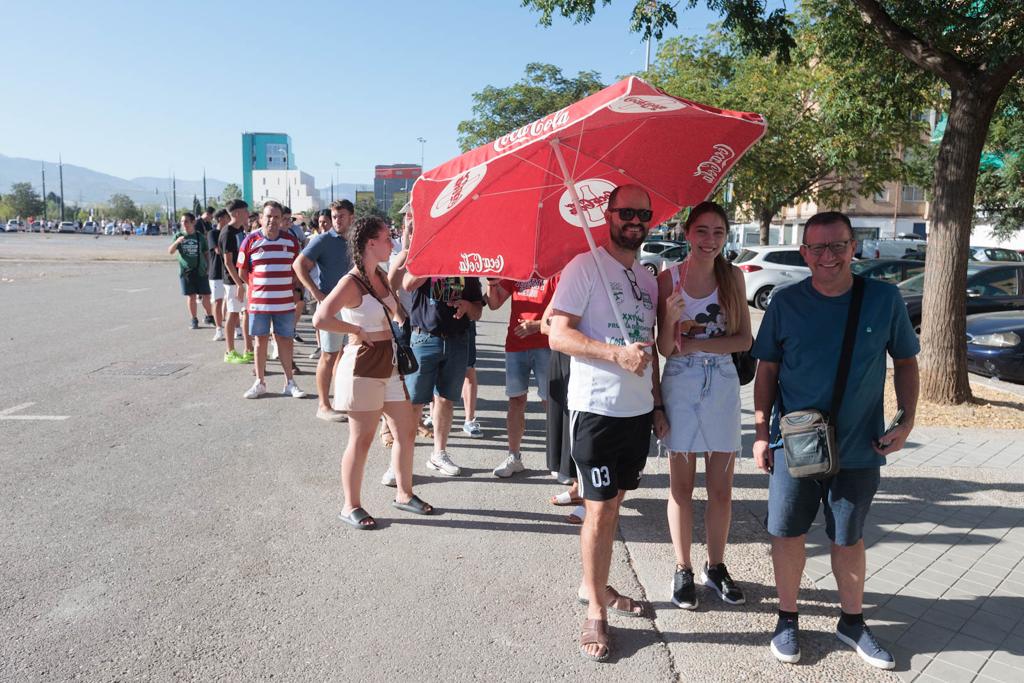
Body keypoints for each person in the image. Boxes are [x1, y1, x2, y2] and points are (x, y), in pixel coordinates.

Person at [751, 211, 919, 670]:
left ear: (853, 247)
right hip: (795, 446)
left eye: (838, 245)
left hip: (860, 447)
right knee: (787, 533)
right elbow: (767, 371)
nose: (828, 256)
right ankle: (787, 618)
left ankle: (852, 622)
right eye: (818, 247)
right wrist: (761, 434)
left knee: (848, 537)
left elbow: (906, 362)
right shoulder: (786, 303)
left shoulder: (883, 299)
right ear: (804, 253)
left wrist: (905, 422)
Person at [548, 184, 667, 662]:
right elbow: (558, 334)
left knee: (614, 504)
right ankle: (596, 608)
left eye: (643, 213)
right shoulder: (584, 266)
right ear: (608, 215)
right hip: (596, 410)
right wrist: (614, 354)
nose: (635, 221)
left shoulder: (647, 278)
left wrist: (657, 404)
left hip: (637, 413)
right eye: (626, 212)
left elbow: (650, 348)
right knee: (598, 510)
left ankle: (591, 583)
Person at [655, 201, 752, 610]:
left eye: (718, 232)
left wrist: (696, 344)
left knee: (721, 489)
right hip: (680, 383)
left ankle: (716, 566)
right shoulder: (668, 279)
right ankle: (683, 568)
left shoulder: (733, 277)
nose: (710, 240)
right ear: (686, 233)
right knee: (681, 487)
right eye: (702, 231)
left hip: (723, 384)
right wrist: (670, 318)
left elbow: (744, 339)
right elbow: (664, 349)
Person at [312, 215, 434, 529]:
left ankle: (404, 494)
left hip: (389, 362)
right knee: (362, 439)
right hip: (363, 364)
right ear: (370, 243)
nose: (390, 243)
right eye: (386, 239)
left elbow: (396, 306)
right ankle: (350, 505)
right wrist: (355, 329)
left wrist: (408, 245)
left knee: (406, 431)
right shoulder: (350, 282)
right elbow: (320, 318)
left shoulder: (379, 274)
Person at [387, 245, 483, 479]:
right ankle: (398, 463)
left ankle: (438, 454)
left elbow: (478, 310)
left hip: (458, 340)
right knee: (414, 403)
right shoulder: (426, 255)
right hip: (424, 338)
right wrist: (433, 263)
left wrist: (468, 306)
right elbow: (408, 284)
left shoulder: (466, 262)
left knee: (446, 400)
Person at [483, 276, 557, 477]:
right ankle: (514, 457)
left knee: (551, 403)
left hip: (546, 345)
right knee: (515, 401)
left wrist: (537, 325)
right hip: (516, 345)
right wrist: (491, 282)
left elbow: (563, 313)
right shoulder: (517, 269)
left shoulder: (554, 271)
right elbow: (494, 303)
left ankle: (559, 460)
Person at [236, 201, 307, 399]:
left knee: (285, 340)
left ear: (282, 219)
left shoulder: (291, 241)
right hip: (259, 303)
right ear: (261, 218)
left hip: (284, 303)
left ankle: (290, 383)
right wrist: (257, 287)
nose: (272, 220)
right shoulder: (250, 240)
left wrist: (294, 288)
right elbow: (242, 271)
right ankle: (260, 382)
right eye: (268, 216)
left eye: (276, 217)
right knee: (260, 340)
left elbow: (297, 269)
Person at [294, 200, 354, 421]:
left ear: (351, 217)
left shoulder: (356, 239)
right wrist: (317, 294)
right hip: (331, 305)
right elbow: (298, 265)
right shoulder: (323, 239)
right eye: (334, 216)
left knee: (345, 355)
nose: (337, 220)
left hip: (353, 306)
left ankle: (340, 400)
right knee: (328, 355)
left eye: (341, 216)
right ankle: (323, 405)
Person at [168, 212, 214, 329]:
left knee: (206, 295)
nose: (184, 224)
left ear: (193, 222)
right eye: (182, 221)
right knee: (191, 296)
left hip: (201, 270)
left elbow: (206, 253)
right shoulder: (178, 236)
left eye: (186, 221)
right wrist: (177, 242)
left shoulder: (200, 237)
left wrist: (208, 267)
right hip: (186, 272)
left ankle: (209, 316)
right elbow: (170, 251)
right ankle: (194, 319)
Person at [221, 199, 253, 364]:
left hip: (243, 278)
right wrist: (239, 284)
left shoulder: (240, 229)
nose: (248, 214)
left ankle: (249, 349)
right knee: (233, 314)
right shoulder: (227, 233)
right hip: (233, 280)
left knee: (246, 313)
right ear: (236, 213)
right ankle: (230, 351)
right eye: (246, 211)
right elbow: (228, 262)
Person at [207, 208, 230, 341]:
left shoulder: (230, 232)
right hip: (216, 272)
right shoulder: (212, 233)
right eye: (227, 217)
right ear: (221, 219)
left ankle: (236, 328)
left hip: (229, 272)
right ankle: (219, 329)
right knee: (218, 301)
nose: (230, 220)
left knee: (231, 301)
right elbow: (218, 250)